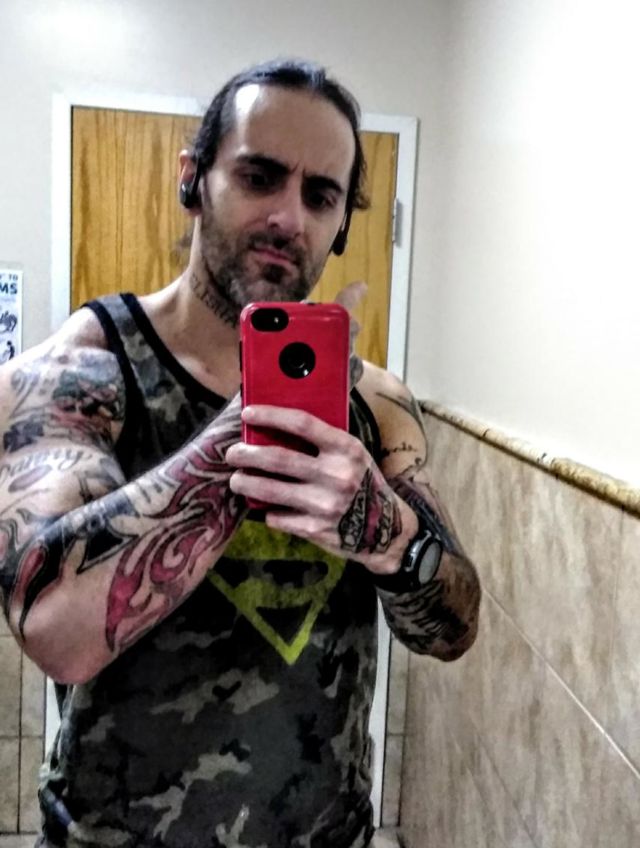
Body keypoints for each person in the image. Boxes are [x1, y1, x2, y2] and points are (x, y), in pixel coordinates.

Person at [0, 60, 480, 848]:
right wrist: (243, 431)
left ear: (342, 223)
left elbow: (453, 628)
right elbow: (55, 633)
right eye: (260, 177)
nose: (289, 217)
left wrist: (389, 537)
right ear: (193, 178)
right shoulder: (81, 372)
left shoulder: (375, 401)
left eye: (321, 195)